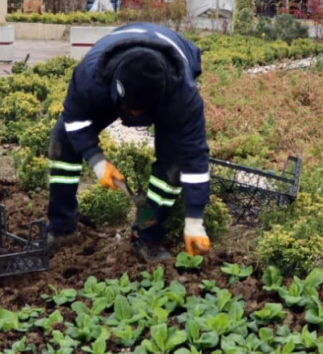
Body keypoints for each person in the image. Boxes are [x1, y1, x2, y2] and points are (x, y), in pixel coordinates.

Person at [47, 23, 211, 263]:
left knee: (174, 161)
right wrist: (97, 160)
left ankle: (148, 234)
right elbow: (75, 120)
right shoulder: (91, 76)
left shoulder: (182, 95)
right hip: (111, 77)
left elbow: (194, 157)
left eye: (140, 112)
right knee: (62, 139)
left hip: (172, 64)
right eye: (129, 110)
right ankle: (63, 228)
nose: (134, 119)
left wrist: (195, 220)